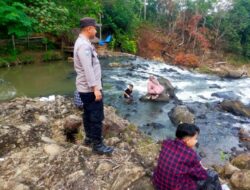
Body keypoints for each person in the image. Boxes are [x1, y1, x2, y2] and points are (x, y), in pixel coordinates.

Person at [74, 17, 113, 155]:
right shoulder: (84, 45)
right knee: (96, 116)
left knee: (88, 113)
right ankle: (98, 145)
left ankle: (89, 138)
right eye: (95, 28)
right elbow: (88, 69)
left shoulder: (83, 42)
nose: (96, 30)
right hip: (90, 89)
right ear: (89, 29)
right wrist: (95, 88)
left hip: (85, 88)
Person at [153, 123, 222, 190]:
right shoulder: (190, 155)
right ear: (187, 140)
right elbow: (202, 175)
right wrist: (203, 168)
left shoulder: (167, 143)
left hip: (159, 184)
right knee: (212, 175)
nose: (196, 141)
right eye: (195, 138)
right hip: (174, 188)